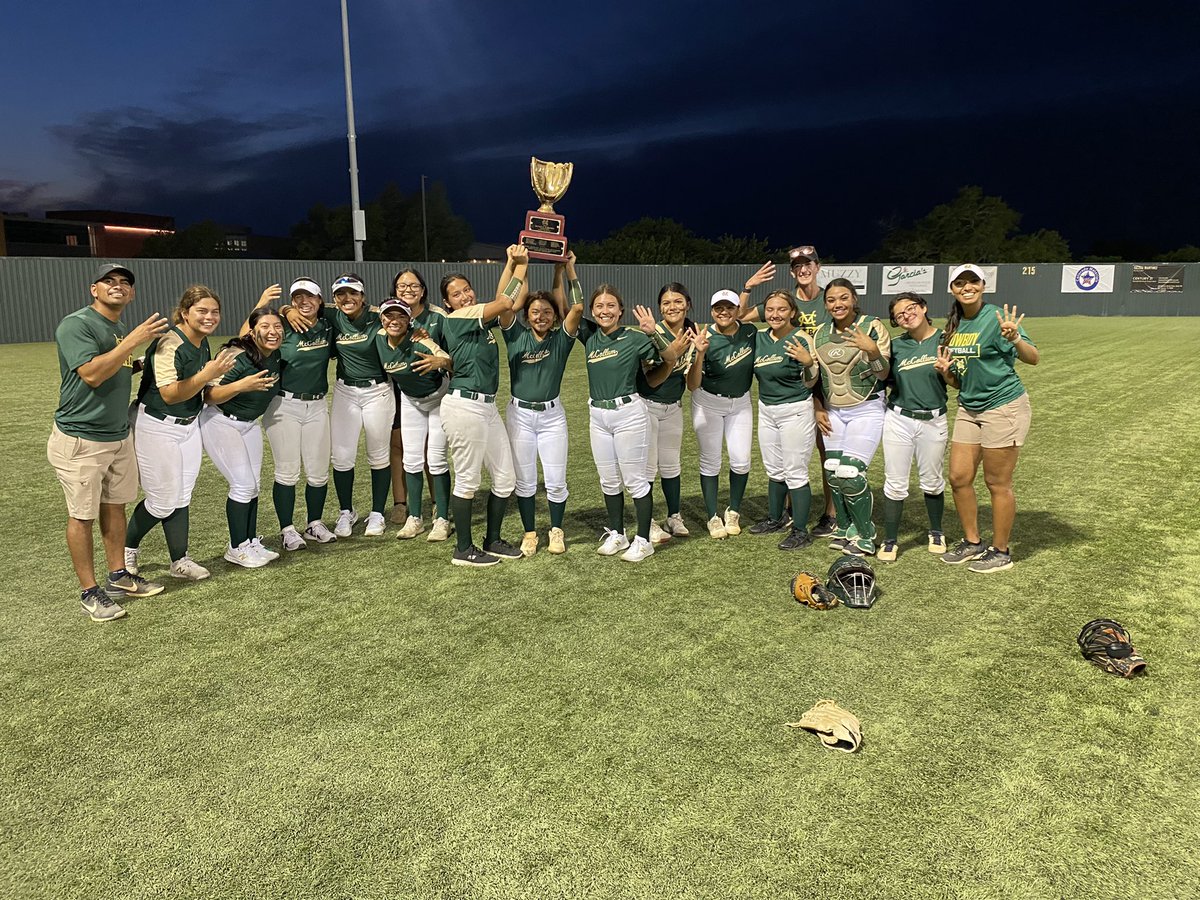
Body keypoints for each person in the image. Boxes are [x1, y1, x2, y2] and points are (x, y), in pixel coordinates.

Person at [48, 263, 168, 621]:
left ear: (131, 294)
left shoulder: (115, 329)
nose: (118, 286)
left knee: (115, 506)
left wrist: (145, 360)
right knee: (82, 515)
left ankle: (118, 576)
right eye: (109, 281)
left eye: (125, 283)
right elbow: (93, 374)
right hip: (82, 438)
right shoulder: (78, 324)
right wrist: (134, 340)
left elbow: (120, 366)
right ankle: (89, 591)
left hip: (117, 435)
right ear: (94, 289)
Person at [124, 285, 239, 582]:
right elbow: (171, 394)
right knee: (161, 501)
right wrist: (207, 375)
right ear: (185, 312)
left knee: (182, 496)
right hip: (157, 424)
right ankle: (126, 550)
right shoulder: (170, 342)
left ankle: (179, 560)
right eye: (202, 311)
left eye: (214, 312)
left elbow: (201, 390)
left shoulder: (201, 342)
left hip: (188, 425)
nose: (209, 317)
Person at [935, 263, 1038, 573]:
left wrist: (1016, 337)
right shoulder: (952, 325)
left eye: (973, 282)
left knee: (997, 482)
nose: (967, 287)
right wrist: (946, 373)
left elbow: (1033, 358)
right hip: (969, 406)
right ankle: (972, 541)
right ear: (952, 289)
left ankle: (1001, 551)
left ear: (983, 285)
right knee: (959, 478)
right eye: (960, 283)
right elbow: (960, 380)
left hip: (1003, 407)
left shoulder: (995, 318)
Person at [578, 284, 684, 562]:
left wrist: (653, 332)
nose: (605, 311)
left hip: (629, 414)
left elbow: (670, 357)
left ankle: (643, 540)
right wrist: (569, 270)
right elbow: (570, 305)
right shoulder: (589, 335)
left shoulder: (635, 338)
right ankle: (618, 534)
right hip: (597, 415)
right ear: (592, 311)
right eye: (599, 306)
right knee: (609, 480)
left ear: (621, 310)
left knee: (635, 480)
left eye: (611, 305)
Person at [738, 246, 838, 535]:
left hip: (819, 387)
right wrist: (749, 287)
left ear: (818, 266)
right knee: (781, 465)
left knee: (823, 454)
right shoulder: (778, 310)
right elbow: (740, 316)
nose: (803, 270)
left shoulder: (825, 302)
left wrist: (818, 398)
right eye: (797, 266)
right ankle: (786, 514)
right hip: (780, 399)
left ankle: (827, 514)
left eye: (808, 264)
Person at [284, 274, 393, 538]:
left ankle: (377, 512)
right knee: (342, 456)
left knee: (378, 454)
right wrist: (287, 310)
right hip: (346, 390)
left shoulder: (378, 316)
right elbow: (295, 307)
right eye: (341, 294)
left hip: (377, 390)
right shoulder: (332, 316)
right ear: (332, 299)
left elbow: (403, 321)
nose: (347, 299)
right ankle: (347, 511)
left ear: (363, 296)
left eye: (353, 293)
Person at [438, 247, 525, 566]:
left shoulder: (479, 321)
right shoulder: (458, 318)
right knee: (468, 480)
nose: (464, 296)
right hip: (463, 407)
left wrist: (513, 263)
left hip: (486, 408)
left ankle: (492, 539)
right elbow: (506, 301)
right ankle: (463, 549)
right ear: (448, 302)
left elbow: (505, 297)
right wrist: (520, 268)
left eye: (467, 289)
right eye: (456, 294)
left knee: (505, 479)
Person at [792, 277, 892, 557]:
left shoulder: (872, 326)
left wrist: (871, 349)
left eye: (844, 298)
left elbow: (883, 373)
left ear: (854, 299)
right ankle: (846, 527)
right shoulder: (820, 333)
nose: (838, 304)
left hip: (866, 408)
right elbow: (813, 381)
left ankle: (866, 534)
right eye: (832, 300)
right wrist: (808, 364)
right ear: (826, 304)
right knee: (833, 470)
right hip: (834, 410)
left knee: (851, 472)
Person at [244, 278, 338, 552]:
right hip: (285, 405)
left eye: (310, 297)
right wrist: (276, 308)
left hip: (318, 404)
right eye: (297, 297)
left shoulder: (327, 324)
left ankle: (314, 523)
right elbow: (244, 339)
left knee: (319, 472)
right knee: (287, 472)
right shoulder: (281, 326)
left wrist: (287, 308)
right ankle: (287, 529)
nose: (303, 302)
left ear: (320, 301)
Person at [502, 252, 585, 556]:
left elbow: (576, 307)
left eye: (547, 312)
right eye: (535, 311)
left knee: (555, 480)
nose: (541, 316)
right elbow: (506, 301)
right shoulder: (515, 335)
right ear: (527, 315)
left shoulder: (560, 340)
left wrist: (565, 272)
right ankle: (529, 533)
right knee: (524, 482)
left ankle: (557, 530)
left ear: (554, 316)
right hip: (520, 415)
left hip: (552, 417)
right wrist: (518, 266)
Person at [200, 307, 284, 568]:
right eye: (266, 326)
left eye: (278, 326)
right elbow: (209, 395)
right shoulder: (236, 355)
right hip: (221, 421)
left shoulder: (274, 354)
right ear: (252, 331)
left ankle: (249, 542)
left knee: (254, 485)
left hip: (248, 424)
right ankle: (236, 547)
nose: (273, 332)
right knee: (243, 485)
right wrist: (242, 385)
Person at [877, 292, 949, 562]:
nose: (907, 315)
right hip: (899, 418)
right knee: (895, 482)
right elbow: (882, 378)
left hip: (934, 418)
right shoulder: (896, 346)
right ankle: (891, 539)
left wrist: (947, 372)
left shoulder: (945, 340)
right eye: (899, 314)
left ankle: (937, 531)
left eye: (911, 308)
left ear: (924, 307)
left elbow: (956, 380)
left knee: (932, 480)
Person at [373, 297, 452, 541]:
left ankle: (442, 519)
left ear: (410, 320)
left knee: (436, 459)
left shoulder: (421, 340)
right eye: (389, 316)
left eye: (401, 317)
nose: (394, 321)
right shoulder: (378, 336)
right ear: (382, 318)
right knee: (412, 459)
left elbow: (449, 361)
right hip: (410, 400)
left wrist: (442, 361)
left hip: (438, 398)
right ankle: (415, 517)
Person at [749, 290, 820, 550]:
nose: (775, 314)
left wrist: (808, 361)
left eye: (781, 309)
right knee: (774, 469)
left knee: (796, 472)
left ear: (792, 312)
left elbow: (812, 379)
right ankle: (776, 518)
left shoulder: (800, 338)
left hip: (795, 409)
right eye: (770, 309)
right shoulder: (760, 338)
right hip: (767, 409)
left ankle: (801, 530)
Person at [687, 289, 758, 539]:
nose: (724, 312)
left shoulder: (750, 332)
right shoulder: (704, 337)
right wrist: (700, 353)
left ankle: (733, 510)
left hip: (740, 403)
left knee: (741, 461)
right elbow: (692, 384)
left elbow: (772, 312)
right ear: (712, 311)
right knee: (711, 461)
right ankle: (712, 517)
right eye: (719, 308)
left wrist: (748, 288)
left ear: (738, 310)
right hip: (708, 402)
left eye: (729, 307)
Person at [637, 282, 698, 544]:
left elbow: (693, 383)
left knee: (671, 464)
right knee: (648, 467)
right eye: (666, 302)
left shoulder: (693, 332)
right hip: (647, 405)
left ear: (687, 304)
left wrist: (700, 353)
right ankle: (648, 522)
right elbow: (651, 380)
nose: (672, 307)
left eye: (677, 301)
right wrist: (672, 354)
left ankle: (674, 516)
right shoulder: (652, 332)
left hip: (673, 406)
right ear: (660, 307)